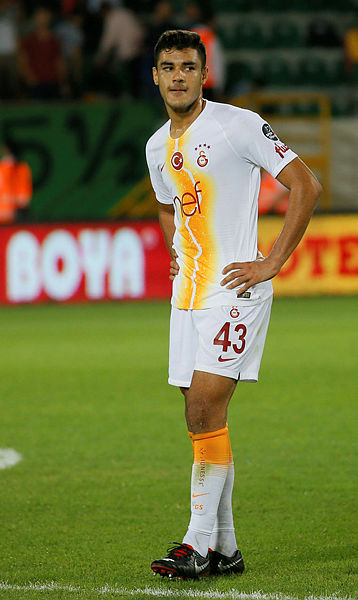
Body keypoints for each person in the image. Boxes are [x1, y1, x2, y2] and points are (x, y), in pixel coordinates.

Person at [145, 30, 321, 580]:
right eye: (168, 67)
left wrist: (273, 261)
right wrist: (176, 252)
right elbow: (166, 205)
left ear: (205, 74)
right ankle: (226, 548)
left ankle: (196, 544)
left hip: (236, 290)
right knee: (203, 419)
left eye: (188, 66)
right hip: (188, 296)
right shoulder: (156, 146)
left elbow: (306, 185)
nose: (178, 76)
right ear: (155, 76)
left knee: (203, 410)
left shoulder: (237, 124)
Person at [0, 137, 32, 225]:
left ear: (5, 149)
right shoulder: (24, 168)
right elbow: (27, 195)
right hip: (20, 218)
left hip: (0, 217)